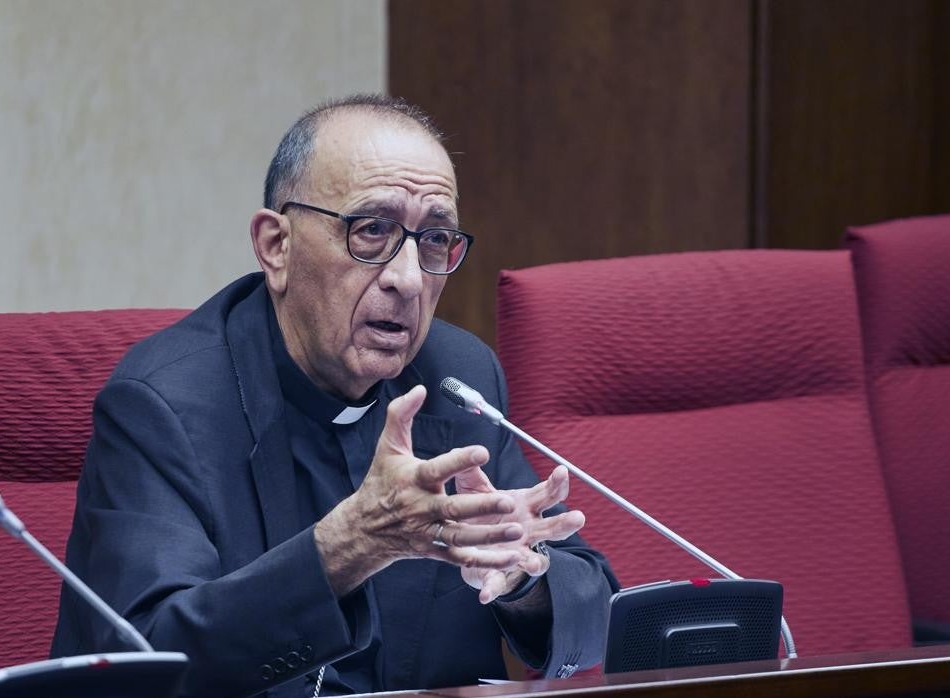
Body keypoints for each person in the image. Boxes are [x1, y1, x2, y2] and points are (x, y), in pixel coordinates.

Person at [51, 94, 617, 697]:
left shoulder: (456, 376)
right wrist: (350, 544)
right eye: (371, 231)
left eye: (433, 241)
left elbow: (593, 609)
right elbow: (148, 667)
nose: (407, 278)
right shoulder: (163, 405)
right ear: (276, 246)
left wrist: (523, 580)